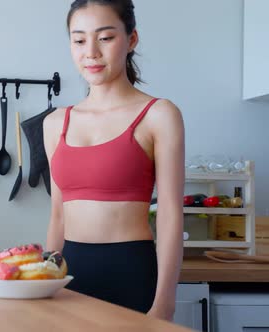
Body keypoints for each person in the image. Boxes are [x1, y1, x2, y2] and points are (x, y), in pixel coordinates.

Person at [43, 0, 185, 321]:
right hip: (69, 274)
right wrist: (45, 282)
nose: (90, 51)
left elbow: (170, 214)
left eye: (105, 38)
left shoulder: (159, 115)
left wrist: (165, 303)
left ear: (131, 39)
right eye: (79, 40)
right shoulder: (55, 123)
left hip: (131, 271)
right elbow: (57, 216)